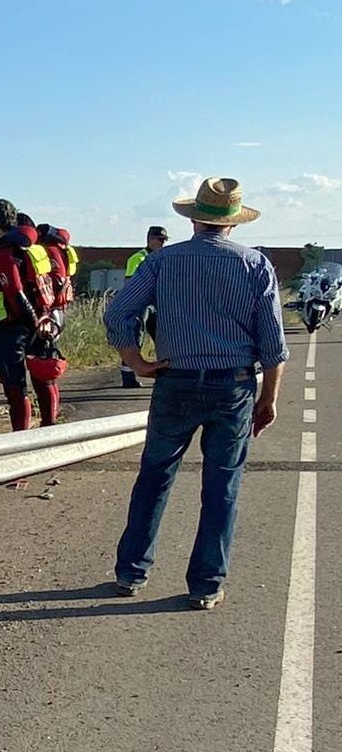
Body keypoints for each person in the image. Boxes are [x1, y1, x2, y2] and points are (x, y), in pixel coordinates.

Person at [104, 177, 287, 610]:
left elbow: (118, 312)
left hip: (176, 379)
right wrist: (269, 399)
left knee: (155, 476)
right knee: (222, 486)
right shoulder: (255, 265)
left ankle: (132, 571)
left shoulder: (163, 262)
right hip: (233, 385)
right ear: (233, 223)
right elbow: (273, 345)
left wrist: (138, 362)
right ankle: (206, 584)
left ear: (194, 219)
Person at [0, 199, 54, 437]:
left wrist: (32, 324)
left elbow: (15, 293)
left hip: (11, 331)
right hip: (21, 327)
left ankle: (20, 447)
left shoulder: (5, 254)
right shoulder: (27, 249)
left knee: (15, 390)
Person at [28, 224, 74, 426]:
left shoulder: (50, 251)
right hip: (58, 311)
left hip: (50, 313)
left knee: (43, 369)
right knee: (45, 368)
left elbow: (52, 283)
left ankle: (49, 421)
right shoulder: (59, 250)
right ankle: (51, 417)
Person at [119, 225, 168, 387]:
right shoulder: (138, 258)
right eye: (159, 240)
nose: (161, 243)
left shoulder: (163, 258)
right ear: (150, 239)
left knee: (161, 337)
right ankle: (128, 377)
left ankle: (163, 371)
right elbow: (131, 284)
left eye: (163, 240)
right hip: (140, 305)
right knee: (136, 337)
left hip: (157, 304)